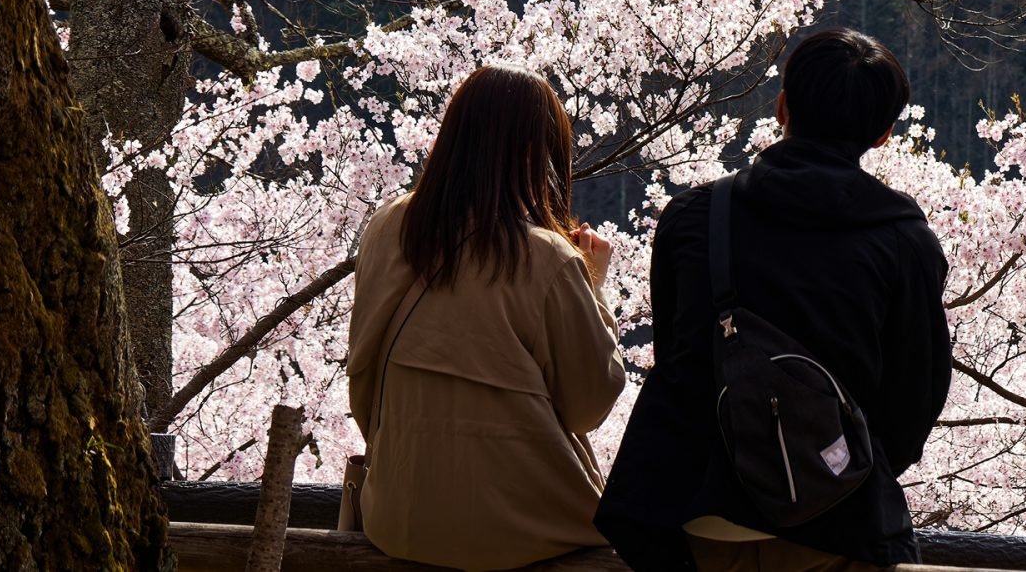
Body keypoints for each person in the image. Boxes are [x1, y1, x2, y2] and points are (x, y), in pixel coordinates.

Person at [596, 29, 952, 572]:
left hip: (691, 515)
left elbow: (678, 354)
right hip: (833, 520)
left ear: (782, 106)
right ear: (884, 134)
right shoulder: (903, 243)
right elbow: (914, 400)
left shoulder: (696, 217)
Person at [346, 65, 626, 572]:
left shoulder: (386, 228)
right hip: (527, 528)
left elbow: (362, 374)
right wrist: (595, 285)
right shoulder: (548, 258)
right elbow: (588, 404)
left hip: (400, 515)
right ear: (533, 153)